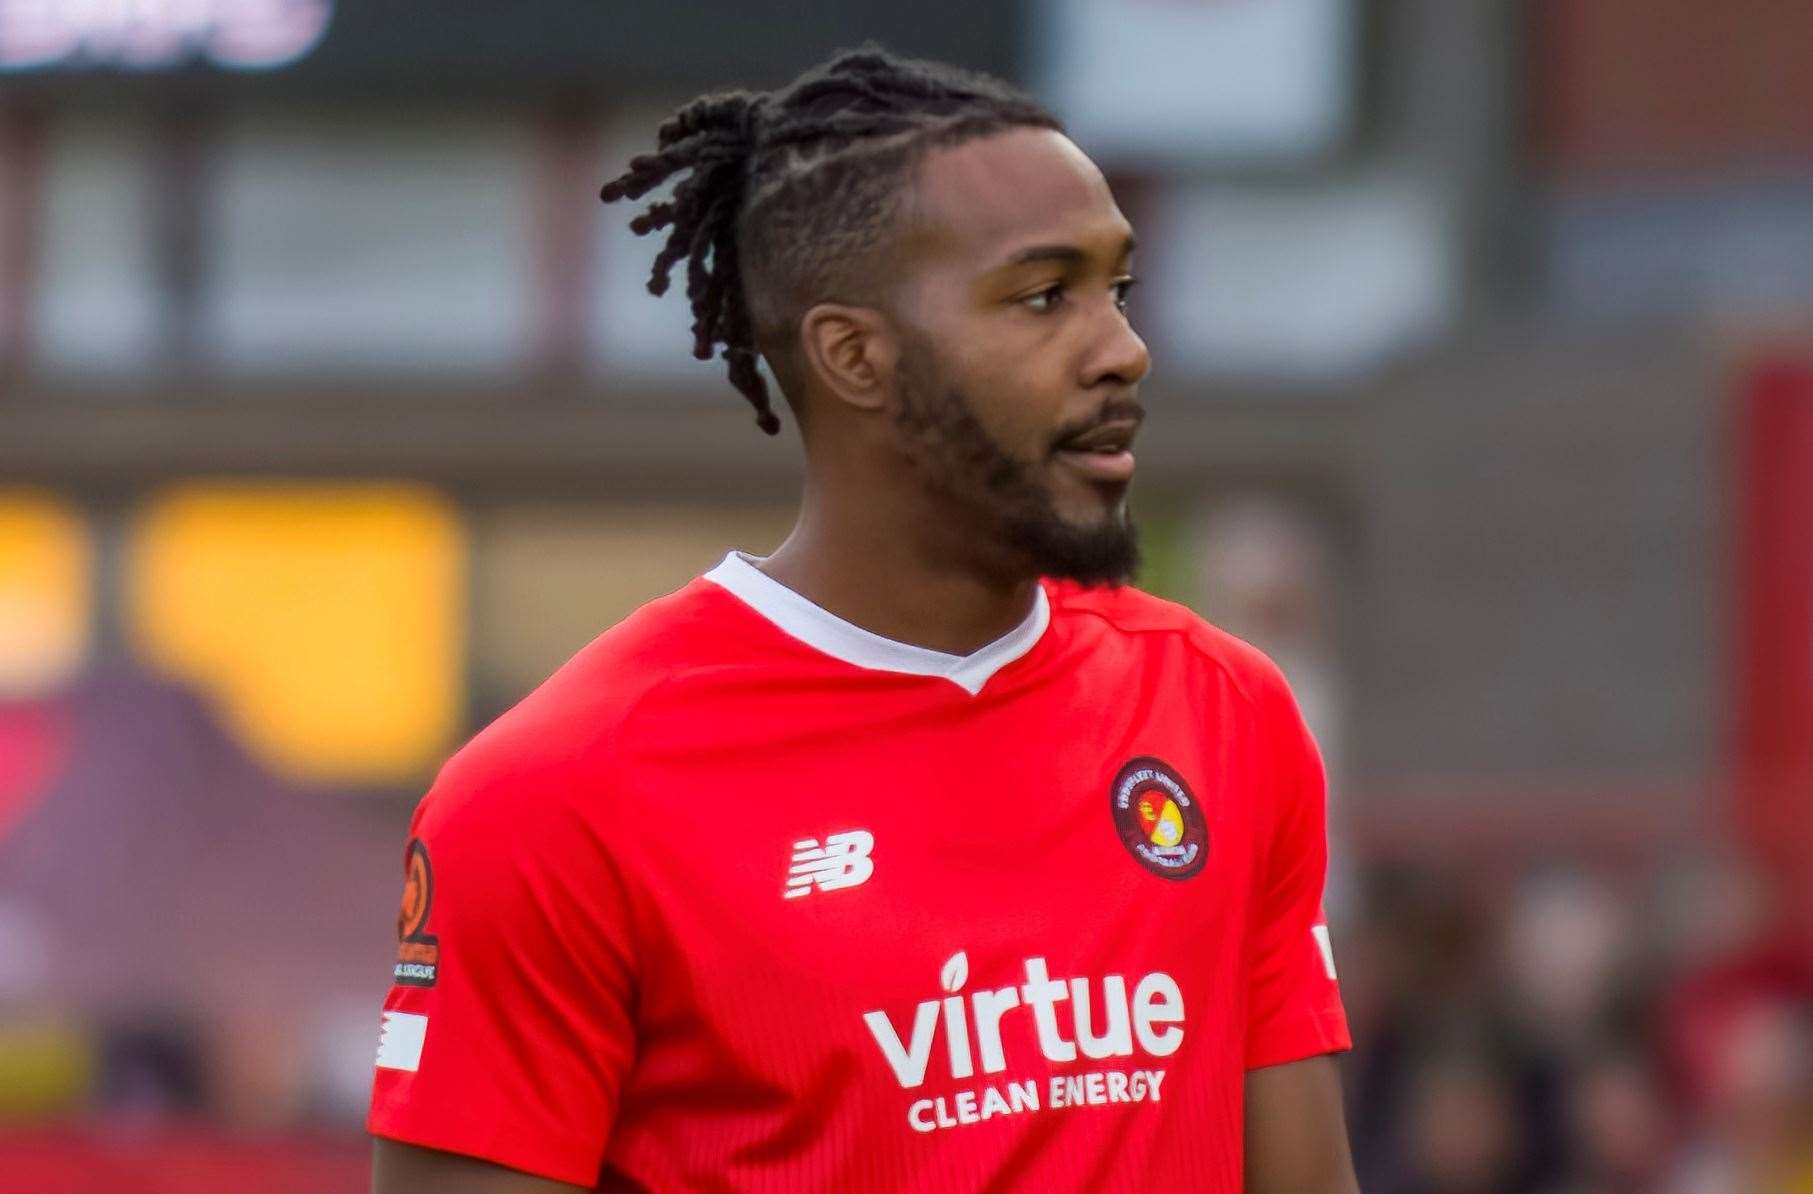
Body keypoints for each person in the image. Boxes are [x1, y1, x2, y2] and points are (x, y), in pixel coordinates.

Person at [367, 47, 1356, 1194]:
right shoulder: (554, 797)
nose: (1122, 351)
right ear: (854, 355)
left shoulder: (1222, 713)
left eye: (1115, 291)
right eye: (1045, 297)